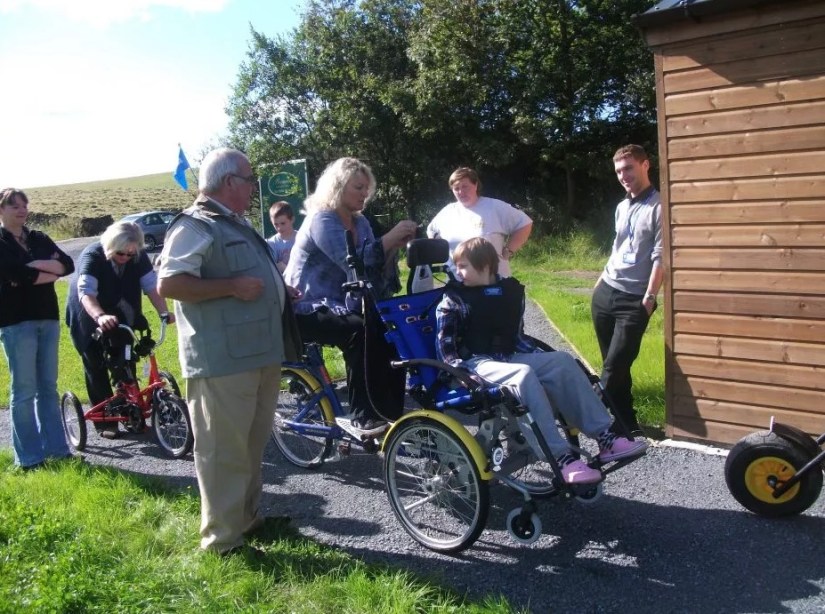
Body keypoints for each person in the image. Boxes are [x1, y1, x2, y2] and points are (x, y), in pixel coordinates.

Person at [157, 147, 303, 556]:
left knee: (251, 445)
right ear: (229, 182)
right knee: (223, 451)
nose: (254, 186)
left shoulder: (233, 223)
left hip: (258, 353)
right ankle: (221, 541)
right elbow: (170, 283)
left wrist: (278, 288)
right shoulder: (195, 224)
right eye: (249, 179)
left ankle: (246, 520)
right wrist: (233, 287)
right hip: (221, 360)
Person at [436, 237, 647, 484]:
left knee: (562, 361)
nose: (457, 272)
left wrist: (543, 360)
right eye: (457, 266)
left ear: (485, 265)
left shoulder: (509, 293)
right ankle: (561, 458)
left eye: (463, 266)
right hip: (475, 364)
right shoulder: (454, 299)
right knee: (523, 374)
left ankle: (606, 438)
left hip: (508, 357)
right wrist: (462, 374)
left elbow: (516, 338)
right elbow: (445, 348)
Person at [284, 157, 417, 437]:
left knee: (393, 332)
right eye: (358, 187)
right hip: (304, 306)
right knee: (359, 331)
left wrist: (392, 247)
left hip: (342, 304)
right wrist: (388, 239)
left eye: (367, 188)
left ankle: (392, 415)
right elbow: (353, 263)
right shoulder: (322, 219)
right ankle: (363, 415)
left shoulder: (361, 221)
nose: (365, 193)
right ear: (338, 186)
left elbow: (373, 273)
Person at [65, 220, 173, 439]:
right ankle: (106, 422)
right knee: (96, 365)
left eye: (130, 254)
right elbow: (86, 293)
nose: (125, 257)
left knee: (126, 360)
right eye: (120, 253)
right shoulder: (92, 256)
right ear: (110, 246)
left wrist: (164, 312)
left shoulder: (138, 256)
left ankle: (131, 412)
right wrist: (100, 316)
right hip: (88, 316)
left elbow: (151, 286)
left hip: (122, 315)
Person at [591, 144, 663, 436]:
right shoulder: (622, 207)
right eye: (619, 171)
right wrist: (599, 281)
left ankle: (583, 416)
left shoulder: (660, 207)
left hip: (634, 300)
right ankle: (626, 424)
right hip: (605, 293)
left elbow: (662, 256)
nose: (624, 176)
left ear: (645, 165)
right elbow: (617, 247)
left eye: (629, 168)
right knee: (614, 366)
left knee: (614, 367)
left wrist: (649, 298)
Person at [0, 188, 75, 470]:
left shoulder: (39, 238)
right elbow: (15, 274)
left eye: (24, 205)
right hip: (16, 322)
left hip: (48, 318)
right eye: (14, 206)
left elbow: (68, 265)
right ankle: (30, 459)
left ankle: (57, 451)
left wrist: (36, 266)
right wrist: (49, 271)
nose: (22, 210)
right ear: (1, 210)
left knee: (48, 387)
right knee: (24, 391)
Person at [427, 166, 532, 278]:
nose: (461, 192)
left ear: (476, 185)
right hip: (457, 281)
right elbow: (431, 231)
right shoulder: (447, 212)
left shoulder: (494, 207)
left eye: (465, 186)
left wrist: (508, 250)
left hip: (494, 280)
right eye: (456, 188)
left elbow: (524, 223)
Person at [266, 201, 296, 273]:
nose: (279, 228)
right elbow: (270, 268)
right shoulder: (272, 243)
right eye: (276, 224)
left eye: (283, 223)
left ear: (292, 220)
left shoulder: (301, 238)